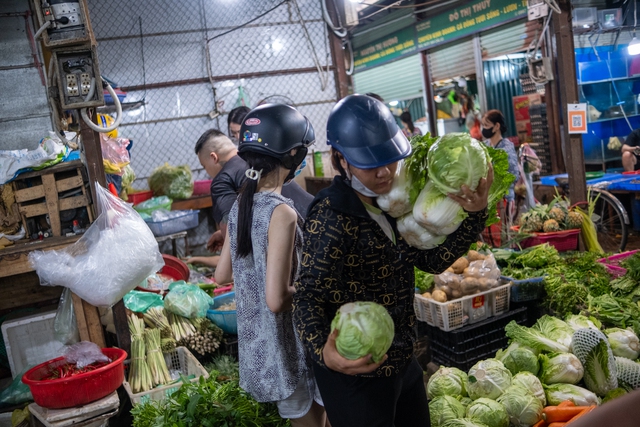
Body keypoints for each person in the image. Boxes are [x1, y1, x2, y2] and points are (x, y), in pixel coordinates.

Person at [293, 94, 492, 427]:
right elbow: (308, 294)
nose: (384, 171)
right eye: (370, 163)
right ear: (340, 159)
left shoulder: (388, 203)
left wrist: (473, 215)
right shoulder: (332, 214)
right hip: (357, 374)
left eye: (389, 158)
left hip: (401, 357)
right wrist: (323, 351)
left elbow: (430, 261)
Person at [214, 104, 328, 427]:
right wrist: (312, 284)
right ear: (293, 154)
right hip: (291, 349)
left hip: (260, 350)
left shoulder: (242, 203)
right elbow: (276, 299)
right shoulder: (283, 213)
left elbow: (221, 274)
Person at [192, 128, 313, 264]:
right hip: (316, 226)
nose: (206, 171)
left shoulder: (222, 180)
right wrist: (222, 233)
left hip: (299, 252)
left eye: (204, 165)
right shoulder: (261, 161)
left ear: (214, 157)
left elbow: (235, 241)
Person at [480, 109, 519, 247]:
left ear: (496, 126)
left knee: (505, 236)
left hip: (505, 199)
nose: (483, 129)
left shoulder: (506, 147)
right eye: (482, 125)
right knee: (490, 238)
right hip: (489, 201)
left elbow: (514, 175)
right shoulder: (484, 146)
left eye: (486, 125)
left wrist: (498, 184)